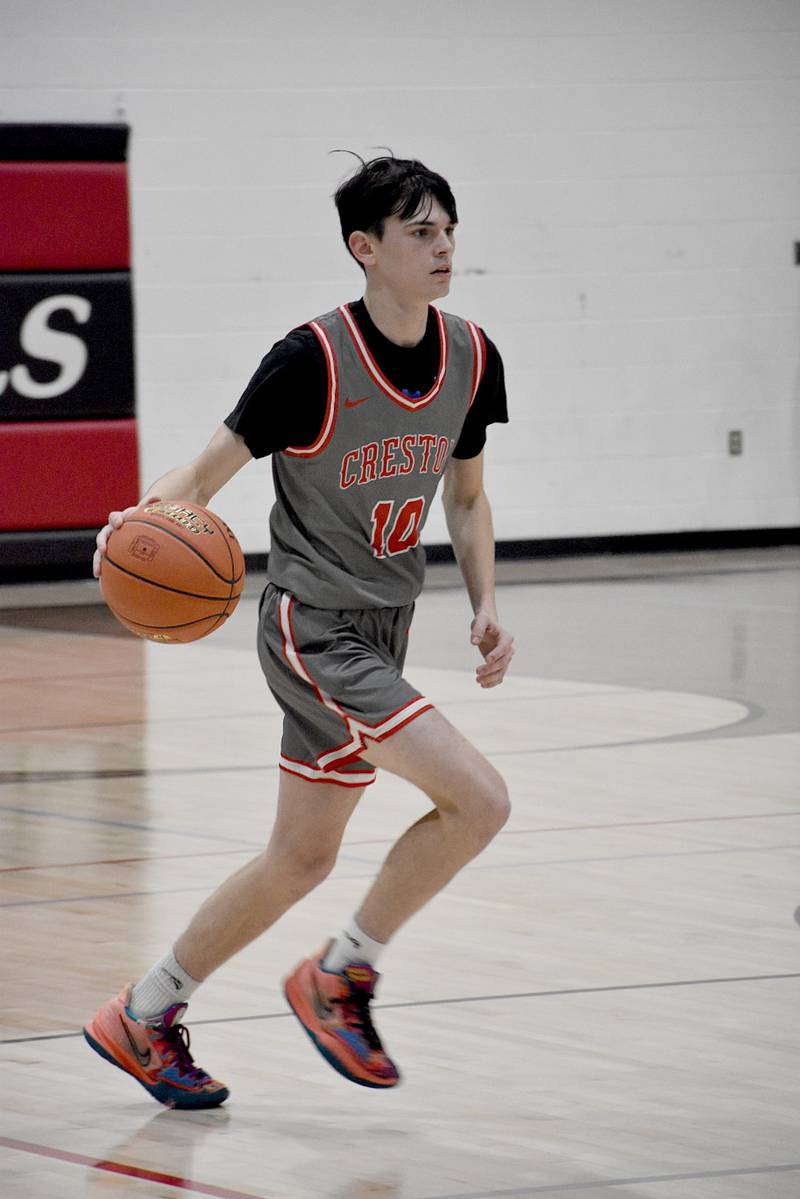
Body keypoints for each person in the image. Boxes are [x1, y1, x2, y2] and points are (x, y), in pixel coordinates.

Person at [83, 155, 514, 1107]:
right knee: (481, 799)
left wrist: (485, 599)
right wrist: (131, 527)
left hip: (386, 621)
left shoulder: (473, 356)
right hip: (316, 629)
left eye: (447, 229)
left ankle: (143, 1013)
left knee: (301, 856)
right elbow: (197, 482)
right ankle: (340, 974)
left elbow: (469, 494)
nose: (442, 247)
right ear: (365, 249)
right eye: (419, 232)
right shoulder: (311, 359)